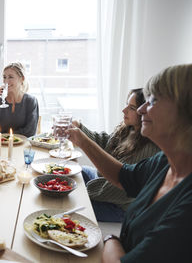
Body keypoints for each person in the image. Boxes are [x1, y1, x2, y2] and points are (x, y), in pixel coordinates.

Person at [66, 64, 192, 262]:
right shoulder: (164, 162)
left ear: (185, 112)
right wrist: (81, 139)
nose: (142, 110)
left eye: (153, 100)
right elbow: (122, 175)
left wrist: (109, 240)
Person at [74, 88, 160, 222]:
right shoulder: (129, 128)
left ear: (146, 112)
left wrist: (81, 191)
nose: (124, 110)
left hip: (121, 205)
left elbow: (118, 188)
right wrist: (80, 127)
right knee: (78, 172)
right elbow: (106, 143)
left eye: (131, 108)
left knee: (73, 201)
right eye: (127, 104)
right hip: (105, 183)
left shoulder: (148, 147)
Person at [0, 62, 39, 137]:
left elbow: (30, 131)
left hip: (21, 144)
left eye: (10, 77)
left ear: (22, 79)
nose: (6, 81)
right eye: (4, 77)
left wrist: (5, 137)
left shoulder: (30, 101)